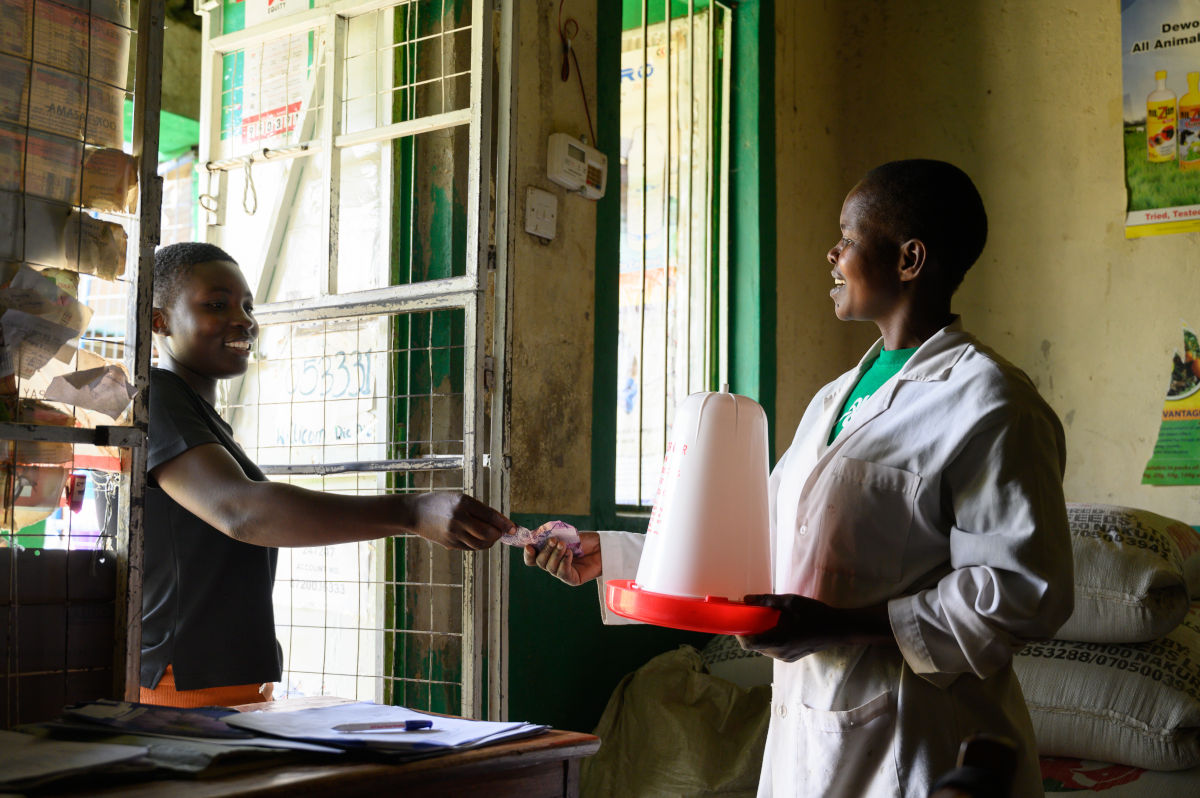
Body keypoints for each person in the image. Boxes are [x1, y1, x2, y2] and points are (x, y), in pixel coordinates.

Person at [525, 160, 1073, 797]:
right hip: (812, 738)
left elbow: (1022, 593)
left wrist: (841, 625)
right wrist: (614, 554)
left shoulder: (991, 403)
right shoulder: (834, 401)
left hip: (920, 747)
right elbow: (764, 539)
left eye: (848, 236)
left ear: (910, 259)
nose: (832, 253)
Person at [142, 242, 513, 708]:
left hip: (225, 676)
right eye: (217, 305)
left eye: (247, 306)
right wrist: (410, 511)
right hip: (181, 684)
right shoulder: (158, 401)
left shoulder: (197, 415)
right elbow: (241, 511)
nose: (244, 320)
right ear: (158, 322)